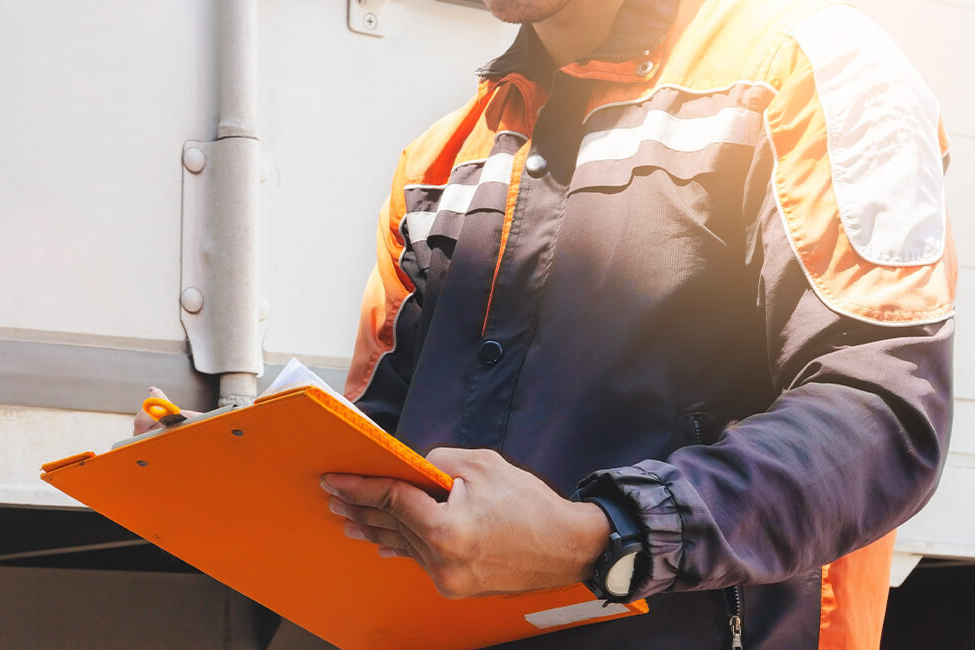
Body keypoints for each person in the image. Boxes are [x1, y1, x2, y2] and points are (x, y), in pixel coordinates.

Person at [319, 0, 957, 647]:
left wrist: (603, 537)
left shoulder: (808, 71)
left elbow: (881, 415)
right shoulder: (439, 161)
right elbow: (370, 441)